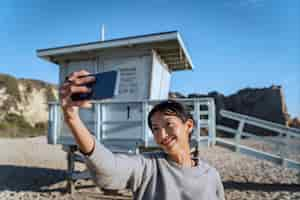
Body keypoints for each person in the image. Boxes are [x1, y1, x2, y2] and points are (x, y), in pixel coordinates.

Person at [59, 70, 225, 200]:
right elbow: (108, 168)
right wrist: (72, 117)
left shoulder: (211, 175)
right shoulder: (147, 166)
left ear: (188, 125)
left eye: (168, 124)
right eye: (155, 128)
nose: (162, 134)